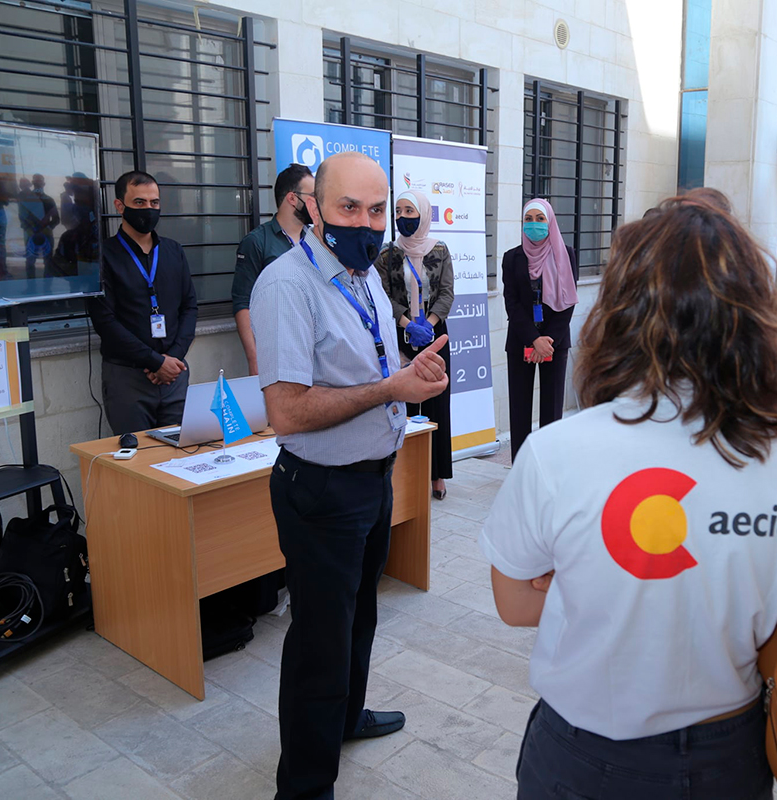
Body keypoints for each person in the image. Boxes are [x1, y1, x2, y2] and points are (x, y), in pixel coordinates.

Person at [481, 197, 777, 800]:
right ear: (751, 315)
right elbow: (773, 616)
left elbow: (515, 603)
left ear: (619, 310)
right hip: (729, 758)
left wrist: (589, 585)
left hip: (580, 755)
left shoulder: (556, 451)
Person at [249, 151, 449, 800]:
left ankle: (345, 717)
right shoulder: (287, 285)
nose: (364, 223)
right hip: (322, 491)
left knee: (359, 617)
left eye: (375, 210)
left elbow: (366, 364)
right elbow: (286, 411)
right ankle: (303, 786)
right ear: (312, 208)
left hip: (372, 478)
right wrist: (386, 388)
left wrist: (409, 374)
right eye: (347, 209)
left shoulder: (362, 275)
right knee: (319, 640)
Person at [88, 170, 197, 435]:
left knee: (182, 457)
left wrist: (172, 360)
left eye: (154, 203)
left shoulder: (173, 251)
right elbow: (105, 322)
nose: (148, 209)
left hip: (174, 375)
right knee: (138, 463)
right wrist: (155, 362)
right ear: (119, 206)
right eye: (139, 202)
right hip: (127, 380)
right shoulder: (102, 257)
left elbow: (189, 307)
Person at [374, 189, 455, 499]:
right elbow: (383, 298)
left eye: (410, 211)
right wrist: (408, 324)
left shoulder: (440, 250)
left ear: (423, 214)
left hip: (435, 335)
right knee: (404, 406)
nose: (402, 217)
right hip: (400, 337)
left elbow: (447, 292)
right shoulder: (387, 254)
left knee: (437, 404)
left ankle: (438, 475)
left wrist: (429, 325)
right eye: (398, 211)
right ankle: (405, 473)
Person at [503, 199, 579, 460]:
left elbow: (569, 299)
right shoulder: (512, 258)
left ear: (550, 221)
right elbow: (511, 304)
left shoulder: (566, 253)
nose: (534, 224)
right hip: (522, 340)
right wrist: (534, 339)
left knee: (552, 410)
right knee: (520, 409)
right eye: (529, 219)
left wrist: (549, 340)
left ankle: (549, 468)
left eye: (540, 219)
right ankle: (520, 469)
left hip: (555, 343)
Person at [233, 164, 314, 374]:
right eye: (312, 196)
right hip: (276, 353)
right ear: (292, 198)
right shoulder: (257, 242)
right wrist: (254, 358)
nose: (318, 203)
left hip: (314, 350)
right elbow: (242, 303)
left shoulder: (316, 240)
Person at [18, 174, 60, 279]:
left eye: (39, 182)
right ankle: (34, 287)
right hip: (34, 234)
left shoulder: (46, 200)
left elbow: (56, 219)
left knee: (45, 261)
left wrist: (47, 228)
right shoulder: (29, 199)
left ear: (43, 184)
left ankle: (44, 287)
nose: (37, 185)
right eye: (36, 182)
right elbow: (22, 217)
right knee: (33, 261)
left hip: (40, 234)